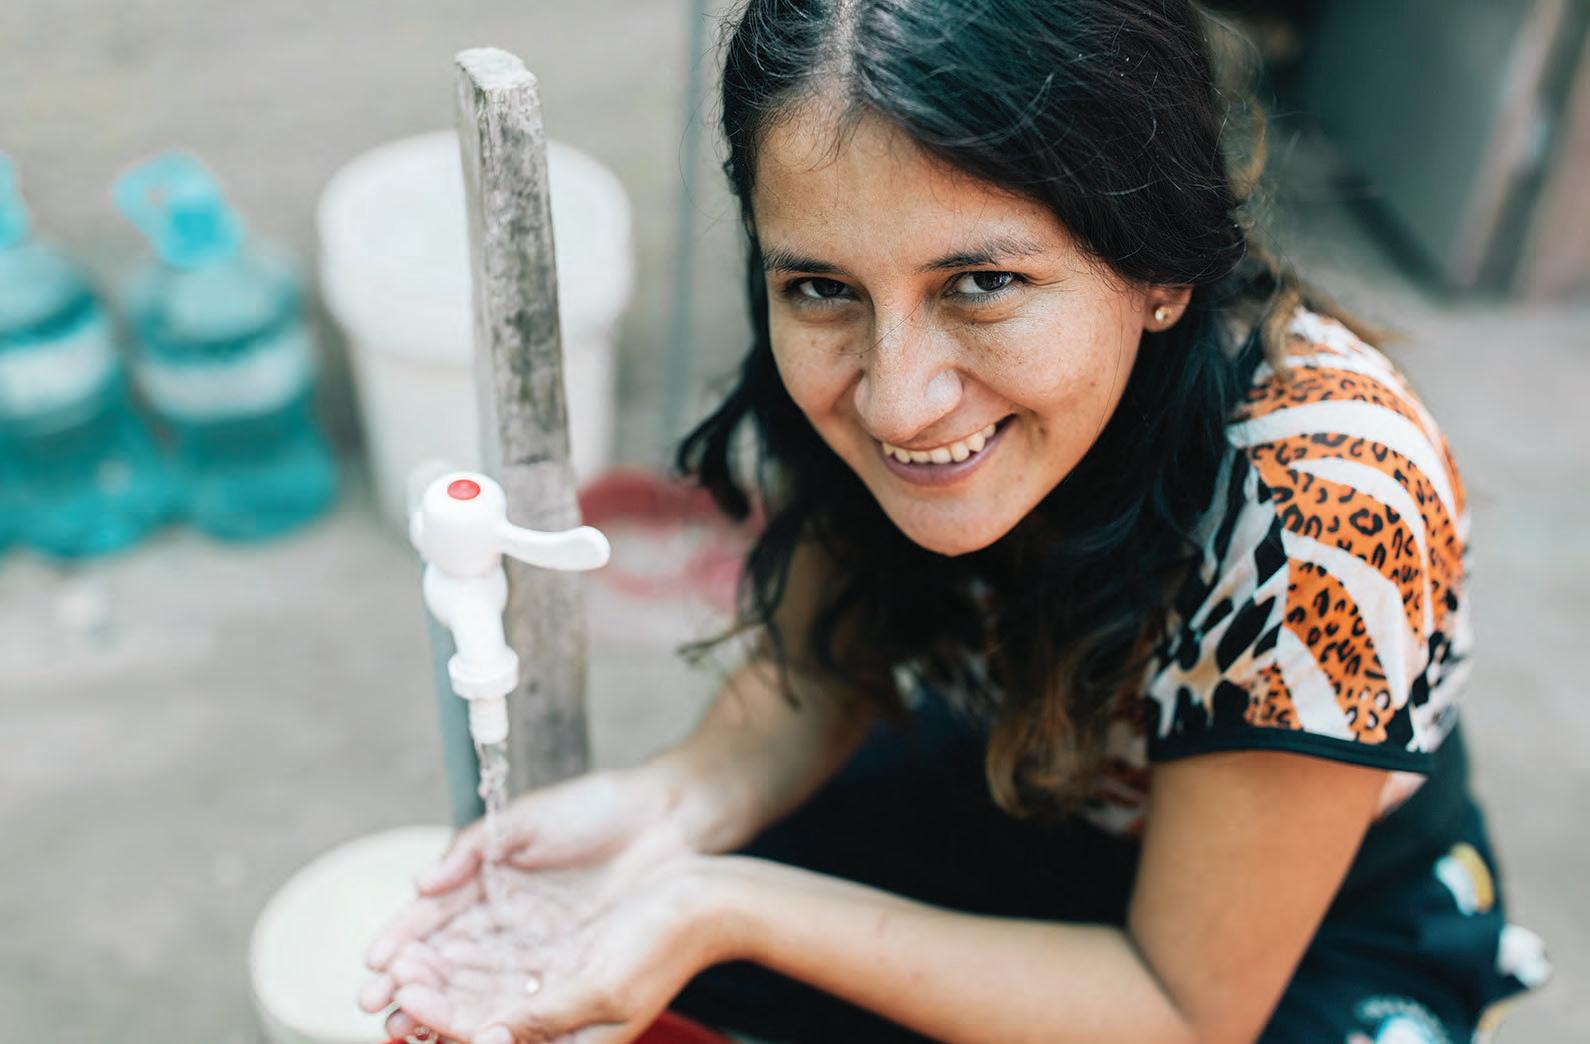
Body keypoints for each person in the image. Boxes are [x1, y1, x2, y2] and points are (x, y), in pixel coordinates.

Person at [359, 1, 1550, 1041]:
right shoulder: (843, 353)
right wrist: (669, 811)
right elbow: (828, 667)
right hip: (1026, 768)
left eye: (981, 284)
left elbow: (1183, 1010)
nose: (896, 400)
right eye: (821, 287)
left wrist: (721, 904)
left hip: (1281, 940)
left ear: (1160, 265)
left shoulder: (1329, 511)